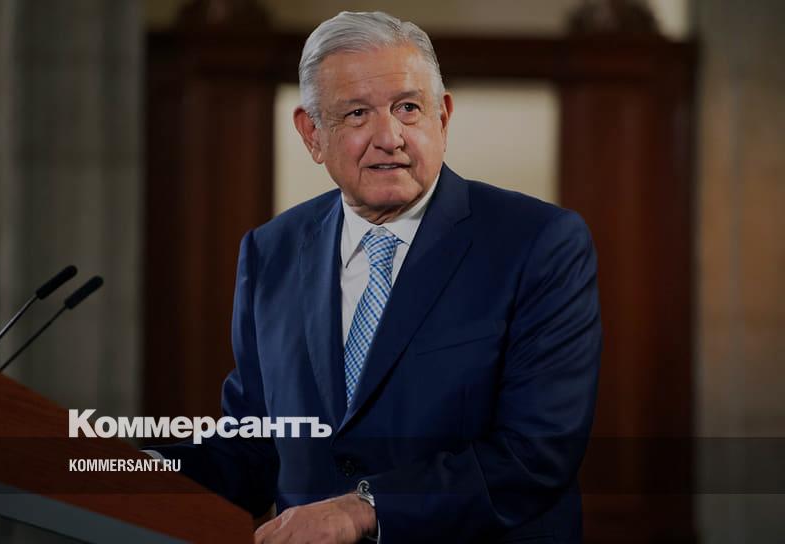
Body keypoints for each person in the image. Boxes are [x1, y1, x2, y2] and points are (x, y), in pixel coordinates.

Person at [151, 11, 601, 543]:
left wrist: (364, 508)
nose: (389, 137)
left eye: (408, 108)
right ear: (312, 133)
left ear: (443, 118)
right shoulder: (270, 251)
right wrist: (118, 469)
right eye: (357, 113)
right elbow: (254, 447)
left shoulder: (538, 243)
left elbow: (536, 452)